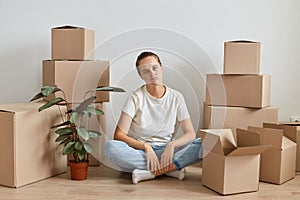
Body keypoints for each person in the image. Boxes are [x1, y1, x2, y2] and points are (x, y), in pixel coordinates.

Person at [104, 51, 202, 184]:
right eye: (145, 71)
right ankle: (170, 168)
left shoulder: (176, 97)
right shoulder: (136, 97)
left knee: (204, 143)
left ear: (161, 68)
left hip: (166, 151)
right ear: (141, 76)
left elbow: (190, 134)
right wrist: (146, 147)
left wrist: (172, 145)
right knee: (110, 147)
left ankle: (150, 172)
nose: (152, 73)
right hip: (140, 152)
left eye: (155, 68)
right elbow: (119, 135)